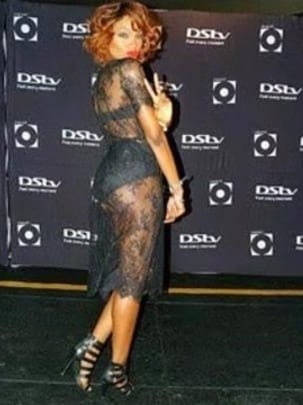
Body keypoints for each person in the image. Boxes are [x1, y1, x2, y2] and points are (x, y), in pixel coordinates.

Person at [60, 1, 186, 396]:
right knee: (133, 283)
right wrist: (177, 188)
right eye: (123, 34)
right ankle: (117, 369)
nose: (133, 42)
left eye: (138, 33)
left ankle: (90, 345)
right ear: (106, 37)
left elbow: (139, 127)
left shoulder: (103, 78)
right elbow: (153, 138)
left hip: (113, 177)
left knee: (127, 273)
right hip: (137, 180)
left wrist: (164, 116)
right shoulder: (130, 71)